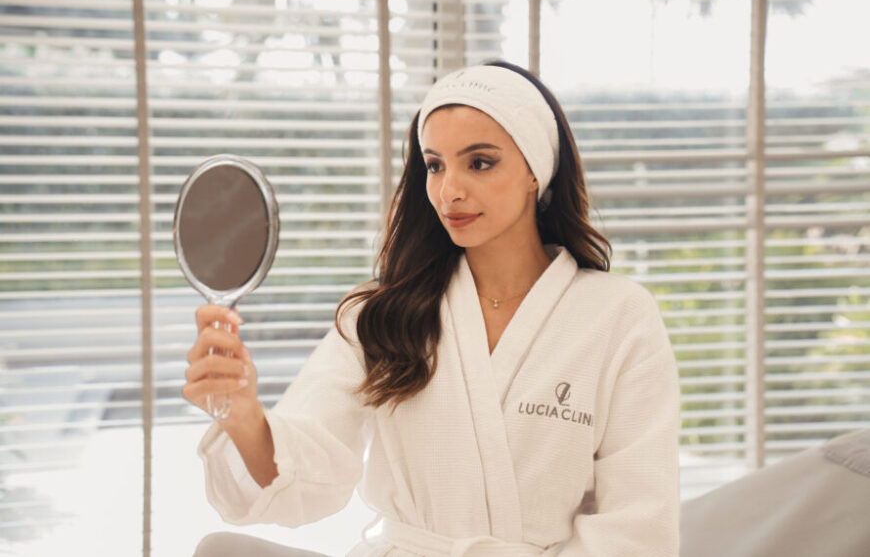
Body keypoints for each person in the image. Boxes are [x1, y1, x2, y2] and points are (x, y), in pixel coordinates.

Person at [184, 60, 681, 556]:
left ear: (536, 171)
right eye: (435, 165)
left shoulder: (618, 318)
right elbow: (308, 470)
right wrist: (244, 416)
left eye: (479, 163)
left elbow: (638, 527)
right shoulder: (383, 316)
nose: (449, 191)